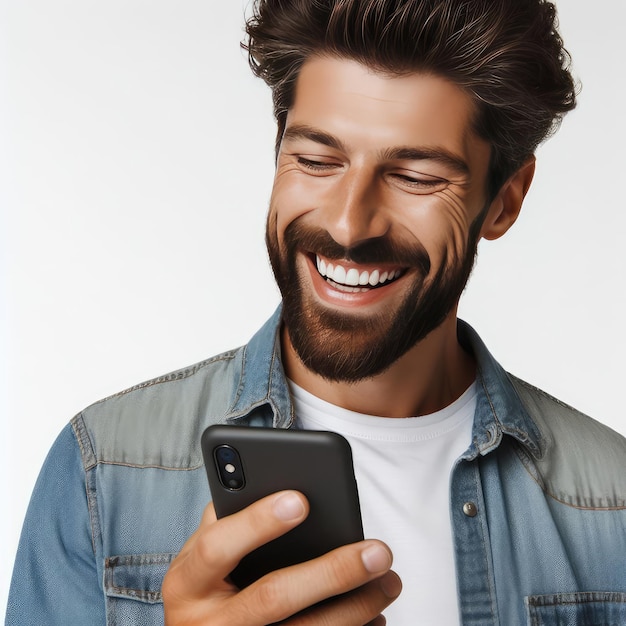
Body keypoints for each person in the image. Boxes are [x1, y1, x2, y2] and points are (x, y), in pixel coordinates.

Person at [7, 0, 626, 624]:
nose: (349, 224)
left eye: (415, 176)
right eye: (316, 161)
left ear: (505, 201)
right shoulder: (106, 466)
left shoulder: (614, 507)